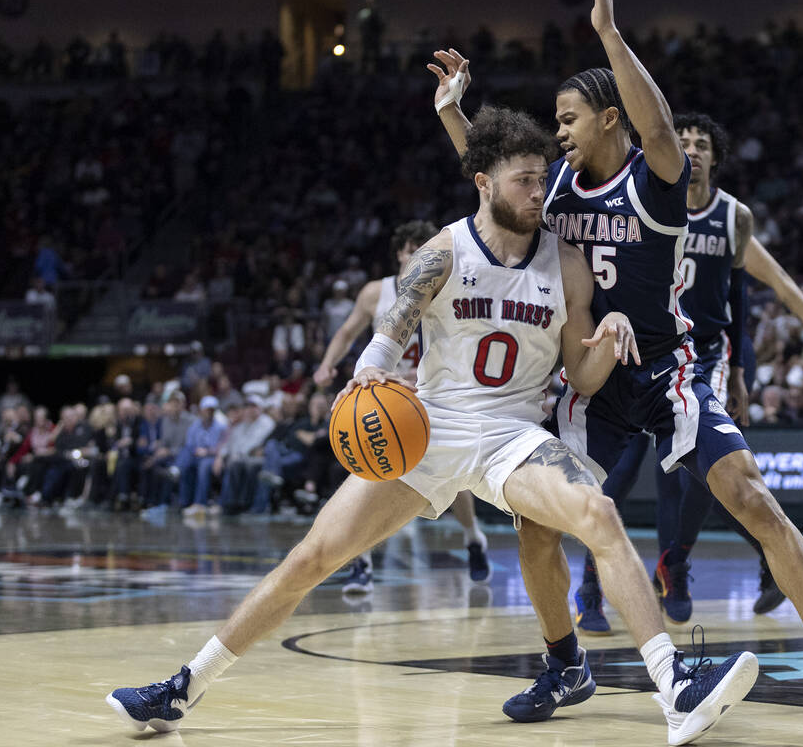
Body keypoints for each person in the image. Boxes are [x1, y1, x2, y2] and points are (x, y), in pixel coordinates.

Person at [107, 106, 760, 747]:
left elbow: (582, 378)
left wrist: (606, 341)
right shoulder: (444, 248)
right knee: (312, 557)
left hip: (513, 436)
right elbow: (392, 326)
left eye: (541, 179)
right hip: (430, 431)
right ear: (483, 183)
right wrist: (370, 367)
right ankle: (182, 687)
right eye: (523, 181)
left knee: (599, 517)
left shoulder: (565, 262)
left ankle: (675, 688)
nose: (538, 193)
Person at [431, 0, 803, 723]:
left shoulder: (655, 180)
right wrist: (453, 113)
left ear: (609, 121)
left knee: (750, 495)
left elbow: (652, 118)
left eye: (570, 120)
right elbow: (498, 182)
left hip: (668, 371)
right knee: (537, 530)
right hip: (592, 379)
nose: (558, 134)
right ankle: (564, 666)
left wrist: (609, 32)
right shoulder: (553, 189)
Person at [568, 112, 803, 632]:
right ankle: (591, 585)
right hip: (633, 350)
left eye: (702, 142)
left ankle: (674, 561)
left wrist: (772, 355)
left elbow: (745, 289)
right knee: (618, 476)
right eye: (684, 142)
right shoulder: (645, 198)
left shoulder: (731, 215)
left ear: (716, 156)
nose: (692, 150)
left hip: (703, 354)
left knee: (702, 474)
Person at [314, 219, 492, 587]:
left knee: (454, 479)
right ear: (399, 253)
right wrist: (327, 364)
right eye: (411, 249)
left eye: (422, 248)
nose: (417, 255)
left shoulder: (445, 283)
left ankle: (474, 536)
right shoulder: (374, 293)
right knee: (366, 466)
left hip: (429, 392)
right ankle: (359, 561)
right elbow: (348, 331)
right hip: (384, 392)